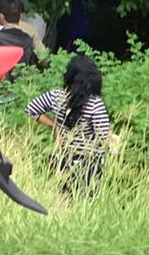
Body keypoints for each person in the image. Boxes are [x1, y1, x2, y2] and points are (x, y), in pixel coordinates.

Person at [26, 55, 111, 193]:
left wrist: (55, 127)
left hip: (62, 159)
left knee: (60, 202)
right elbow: (103, 137)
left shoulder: (57, 96)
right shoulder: (95, 104)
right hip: (87, 165)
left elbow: (31, 109)